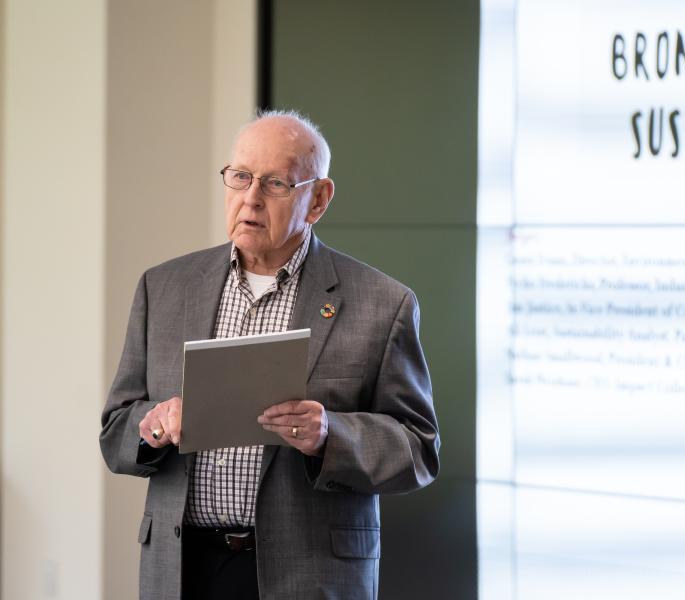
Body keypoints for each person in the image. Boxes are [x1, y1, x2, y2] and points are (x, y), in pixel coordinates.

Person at [100, 110, 440, 600]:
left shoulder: (383, 304)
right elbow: (115, 431)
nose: (250, 198)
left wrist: (331, 434)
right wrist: (152, 427)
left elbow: (418, 450)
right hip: (182, 569)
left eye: (276, 183)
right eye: (240, 177)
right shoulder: (165, 287)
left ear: (318, 199)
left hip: (308, 574)